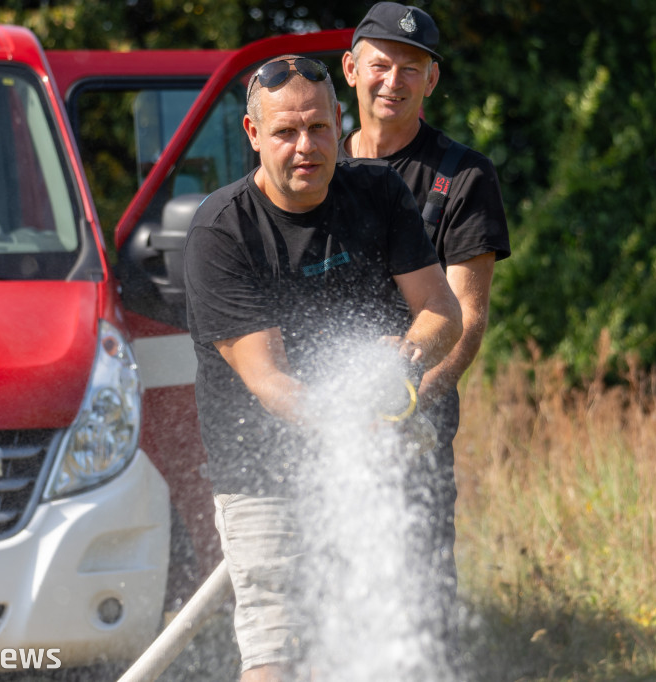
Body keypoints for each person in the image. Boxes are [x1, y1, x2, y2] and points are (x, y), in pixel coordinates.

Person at [183, 54, 462, 682]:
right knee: (275, 651)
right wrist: (352, 425)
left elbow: (441, 312)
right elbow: (272, 383)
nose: (305, 147)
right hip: (263, 477)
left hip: (372, 467)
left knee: (385, 637)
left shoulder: (378, 192)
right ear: (253, 135)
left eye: (318, 128)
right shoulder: (222, 233)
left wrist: (408, 356)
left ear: (340, 123)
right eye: (285, 132)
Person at [339, 0, 511, 644]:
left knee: (416, 600)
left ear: (431, 81)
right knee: (323, 590)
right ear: (351, 68)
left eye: (412, 68)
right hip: (319, 413)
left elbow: (467, 318)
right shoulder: (314, 157)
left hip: (413, 420)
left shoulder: (462, 176)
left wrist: (402, 402)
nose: (394, 81)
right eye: (380, 65)